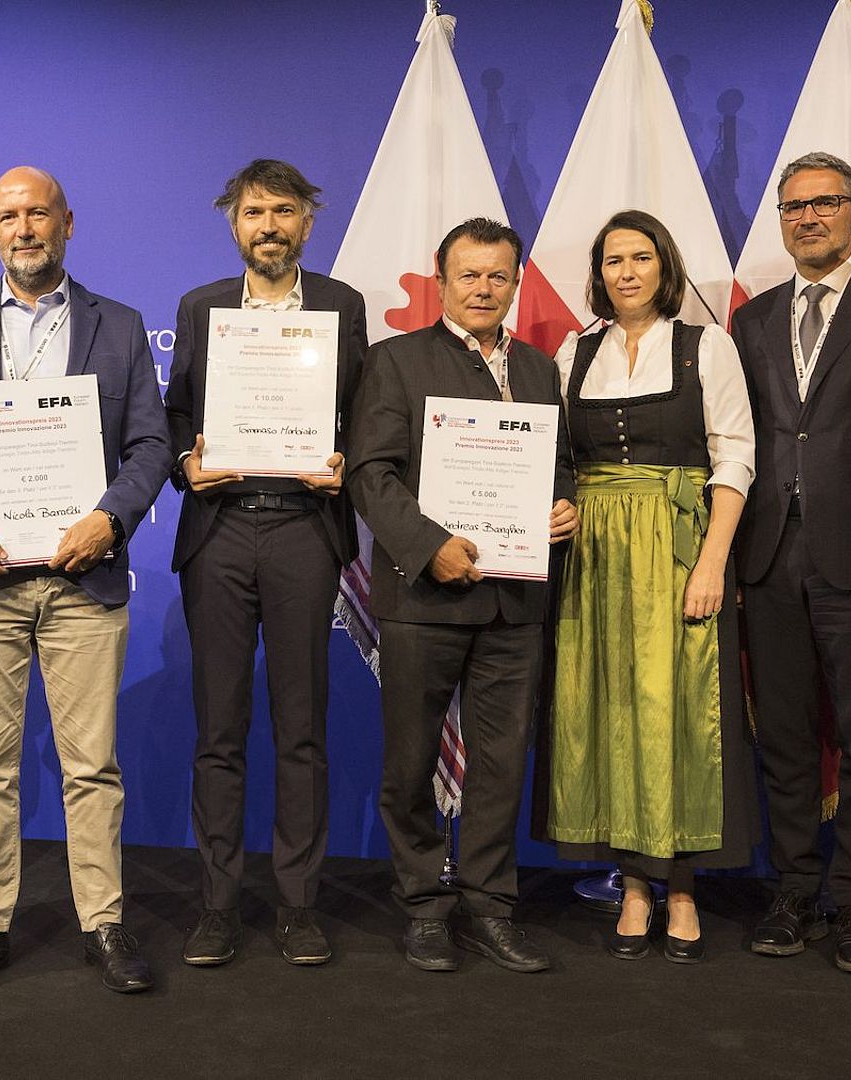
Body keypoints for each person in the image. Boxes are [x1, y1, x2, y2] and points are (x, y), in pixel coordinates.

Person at [0, 166, 172, 998]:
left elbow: (152, 446)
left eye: (38, 213)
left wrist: (112, 518)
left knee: (93, 765)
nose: (25, 228)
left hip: (83, 576)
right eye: (8, 216)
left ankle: (104, 923)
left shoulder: (118, 326)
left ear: (67, 223)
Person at [347, 217, 577, 975]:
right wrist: (426, 547)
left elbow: (561, 468)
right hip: (425, 596)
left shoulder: (542, 368)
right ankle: (422, 903)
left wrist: (563, 506)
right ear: (441, 281)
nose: (484, 289)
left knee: (503, 762)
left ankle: (489, 906)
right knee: (410, 762)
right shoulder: (396, 361)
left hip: (516, 602)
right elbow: (370, 474)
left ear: (517, 283)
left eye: (498, 276)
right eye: (469, 275)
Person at [537, 209, 757, 965]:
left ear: (664, 266)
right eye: (612, 261)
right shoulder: (574, 350)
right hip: (594, 553)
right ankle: (634, 884)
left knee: (680, 713)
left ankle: (685, 886)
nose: (626, 272)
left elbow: (734, 458)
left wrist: (712, 562)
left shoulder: (707, 347)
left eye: (639, 258)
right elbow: (554, 453)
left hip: (679, 545)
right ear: (598, 275)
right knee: (612, 711)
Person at [164, 159, 369, 967]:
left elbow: (365, 407)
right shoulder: (201, 305)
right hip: (218, 528)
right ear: (233, 222)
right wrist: (188, 457)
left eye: (285, 211)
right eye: (255, 212)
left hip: (303, 529)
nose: (270, 226)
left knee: (301, 728)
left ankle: (296, 904)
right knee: (218, 728)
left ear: (307, 224)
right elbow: (177, 405)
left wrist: (347, 458)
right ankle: (217, 905)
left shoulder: (344, 307)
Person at [732, 153, 851, 975]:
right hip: (767, 556)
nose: (807, 218)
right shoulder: (753, 318)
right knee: (789, 739)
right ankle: (795, 887)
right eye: (793, 206)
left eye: (824, 203)